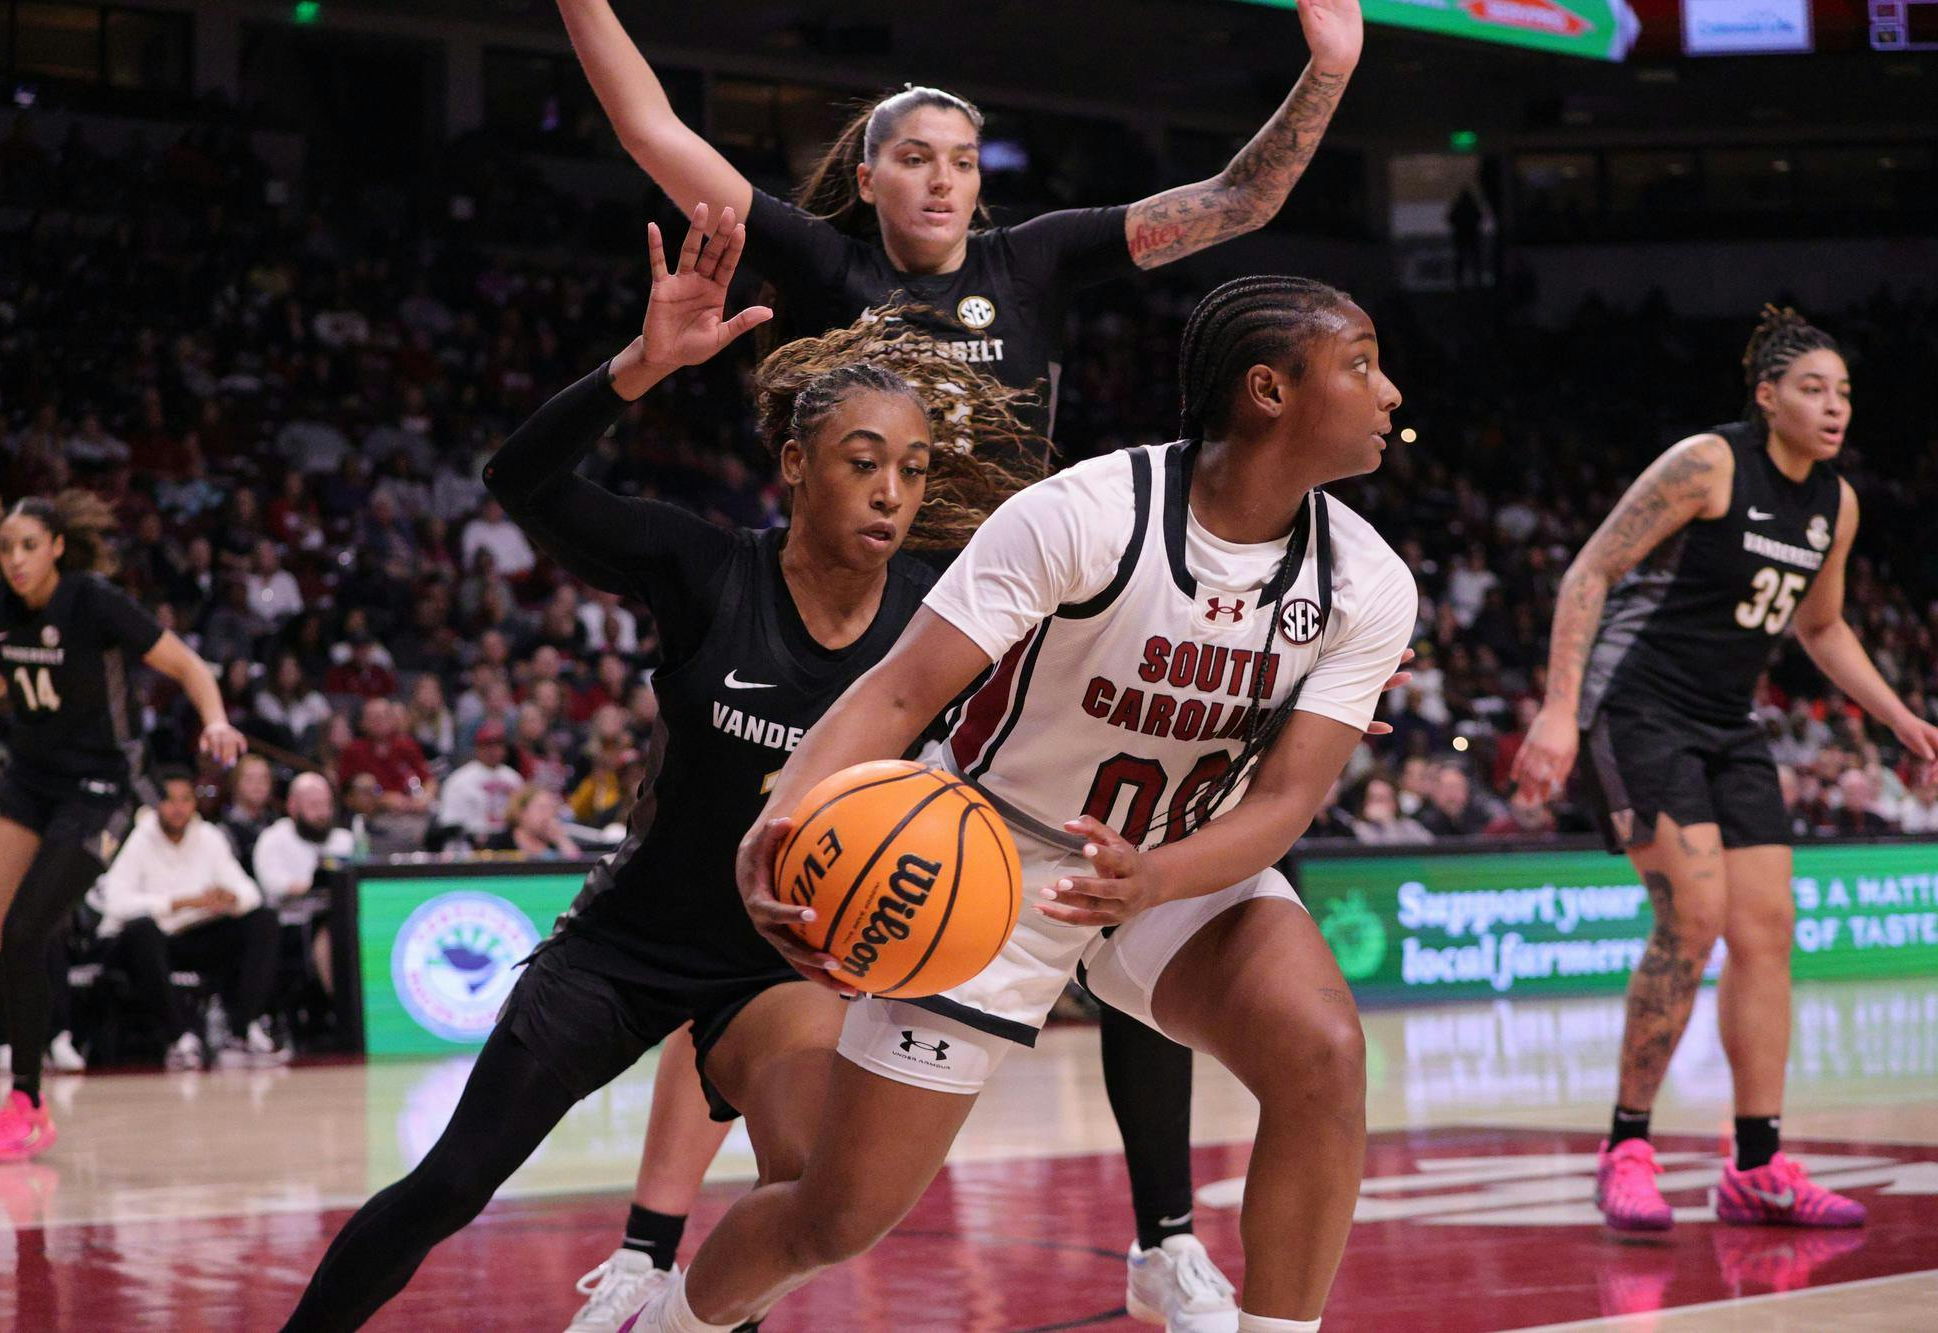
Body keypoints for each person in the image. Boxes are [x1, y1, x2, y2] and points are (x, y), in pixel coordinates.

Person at [555, 0, 1366, 1315]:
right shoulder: (819, 262)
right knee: (747, 924)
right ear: (869, 174)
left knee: (1133, 902)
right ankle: (652, 1255)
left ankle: (1167, 1241)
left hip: (1034, 647)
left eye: (961, 157)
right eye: (915, 155)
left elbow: (1235, 202)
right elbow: (652, 130)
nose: (941, 176)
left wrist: (1329, 66)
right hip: (874, 631)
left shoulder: (1035, 259)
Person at [281, 209, 1042, 1333]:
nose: (892, 490)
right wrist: (638, 369)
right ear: (794, 464)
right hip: (627, 947)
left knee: (810, 1191)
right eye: (863, 462)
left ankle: (678, 1316)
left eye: (914, 470)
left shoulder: (938, 610)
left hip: (777, 966)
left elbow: (1087, 637)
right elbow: (521, 479)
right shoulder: (703, 569)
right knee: (450, 1184)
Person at [624, 274, 1415, 1333]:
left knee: (1321, 1056)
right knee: (836, 1215)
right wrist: (774, 829)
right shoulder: (1084, 514)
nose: (1389, 392)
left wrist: (1155, 877)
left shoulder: (1365, 578)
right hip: (980, 858)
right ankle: (672, 1325)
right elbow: (899, 689)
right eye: (1359, 363)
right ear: (1267, 391)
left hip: (1176, 861)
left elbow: (1282, 803)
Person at [1515, 305, 1938, 1233]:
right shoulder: (1707, 462)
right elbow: (1589, 572)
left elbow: (1820, 628)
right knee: (1693, 914)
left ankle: (1757, 1164)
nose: (1835, 408)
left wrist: (1902, 716)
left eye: (1846, 393)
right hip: (1634, 709)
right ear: (1767, 395)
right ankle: (1627, 1145)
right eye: (1814, 389)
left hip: (1728, 721)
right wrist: (1556, 707)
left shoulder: (1836, 502)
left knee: (1769, 928)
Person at [0, 491, 245, 1161]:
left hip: (101, 788)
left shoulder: (93, 601)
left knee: (24, 931)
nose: (14, 559)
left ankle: (28, 1104)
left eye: (27, 545)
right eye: (4, 548)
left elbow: (188, 664)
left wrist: (215, 717)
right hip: (28, 780)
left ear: (54, 546)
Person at [92, 767, 287, 1069]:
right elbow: (116, 903)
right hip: (139, 946)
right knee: (143, 930)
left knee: (263, 920)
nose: (178, 808)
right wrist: (180, 902)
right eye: (170, 800)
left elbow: (249, 892)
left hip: (192, 938)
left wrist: (231, 898)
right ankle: (179, 1039)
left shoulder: (208, 836)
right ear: (156, 804)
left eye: (186, 799)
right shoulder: (140, 840)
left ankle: (241, 1032)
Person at [252, 771, 355, 996]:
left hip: (342, 918)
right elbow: (272, 886)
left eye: (326, 805)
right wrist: (312, 887)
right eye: (314, 805)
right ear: (292, 806)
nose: (322, 813)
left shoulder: (345, 840)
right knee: (328, 929)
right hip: (291, 925)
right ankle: (342, 1010)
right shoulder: (273, 839)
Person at [436, 722, 526, 848]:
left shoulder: (513, 778)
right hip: (471, 844)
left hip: (506, 843)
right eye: (488, 746)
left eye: (498, 745)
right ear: (478, 748)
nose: (494, 751)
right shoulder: (459, 779)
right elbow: (450, 823)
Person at [486, 784, 582, 860]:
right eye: (542, 808)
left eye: (552, 809)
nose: (548, 814)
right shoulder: (499, 843)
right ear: (521, 812)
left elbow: (577, 867)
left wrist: (562, 840)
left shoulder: (555, 844)